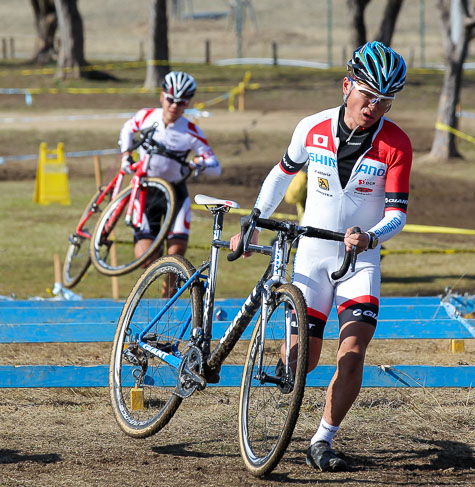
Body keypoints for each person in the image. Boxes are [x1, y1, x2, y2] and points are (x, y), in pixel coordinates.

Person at [230, 41, 411, 472]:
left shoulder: (397, 144)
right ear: (347, 85)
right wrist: (255, 219)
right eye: (368, 95)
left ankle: (322, 439)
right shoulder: (311, 127)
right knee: (303, 360)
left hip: (358, 259)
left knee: (352, 350)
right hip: (312, 254)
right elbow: (282, 174)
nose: (374, 107)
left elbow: (397, 214)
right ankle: (284, 359)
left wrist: (370, 236)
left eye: (385, 101)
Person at [119, 71, 221, 262]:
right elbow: (127, 129)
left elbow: (215, 167)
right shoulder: (146, 116)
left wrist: (198, 163)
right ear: (161, 96)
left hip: (175, 192)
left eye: (181, 102)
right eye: (170, 99)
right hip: (145, 191)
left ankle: (169, 292)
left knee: (175, 257)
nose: (174, 105)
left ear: (188, 103)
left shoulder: (191, 131)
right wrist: (126, 156)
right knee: (147, 259)